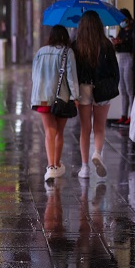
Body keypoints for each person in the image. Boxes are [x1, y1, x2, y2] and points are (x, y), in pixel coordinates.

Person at [73, 11, 120, 180]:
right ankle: (97, 153)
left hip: (83, 87)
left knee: (85, 127)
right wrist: (113, 85)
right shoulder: (106, 44)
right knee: (99, 127)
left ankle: (84, 168)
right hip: (103, 88)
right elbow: (115, 70)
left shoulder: (77, 45)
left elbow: (73, 71)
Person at [31, 25, 79, 185]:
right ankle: (56, 165)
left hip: (42, 97)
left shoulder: (40, 52)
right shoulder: (67, 52)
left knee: (49, 131)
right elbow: (71, 77)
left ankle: (51, 166)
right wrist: (75, 97)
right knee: (59, 132)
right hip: (62, 97)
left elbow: (34, 75)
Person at [110, 8, 135, 125]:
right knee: (122, 88)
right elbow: (118, 47)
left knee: (130, 88)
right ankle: (123, 114)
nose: (122, 23)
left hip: (130, 58)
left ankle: (132, 115)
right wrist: (116, 44)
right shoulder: (122, 31)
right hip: (121, 58)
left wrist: (123, 42)